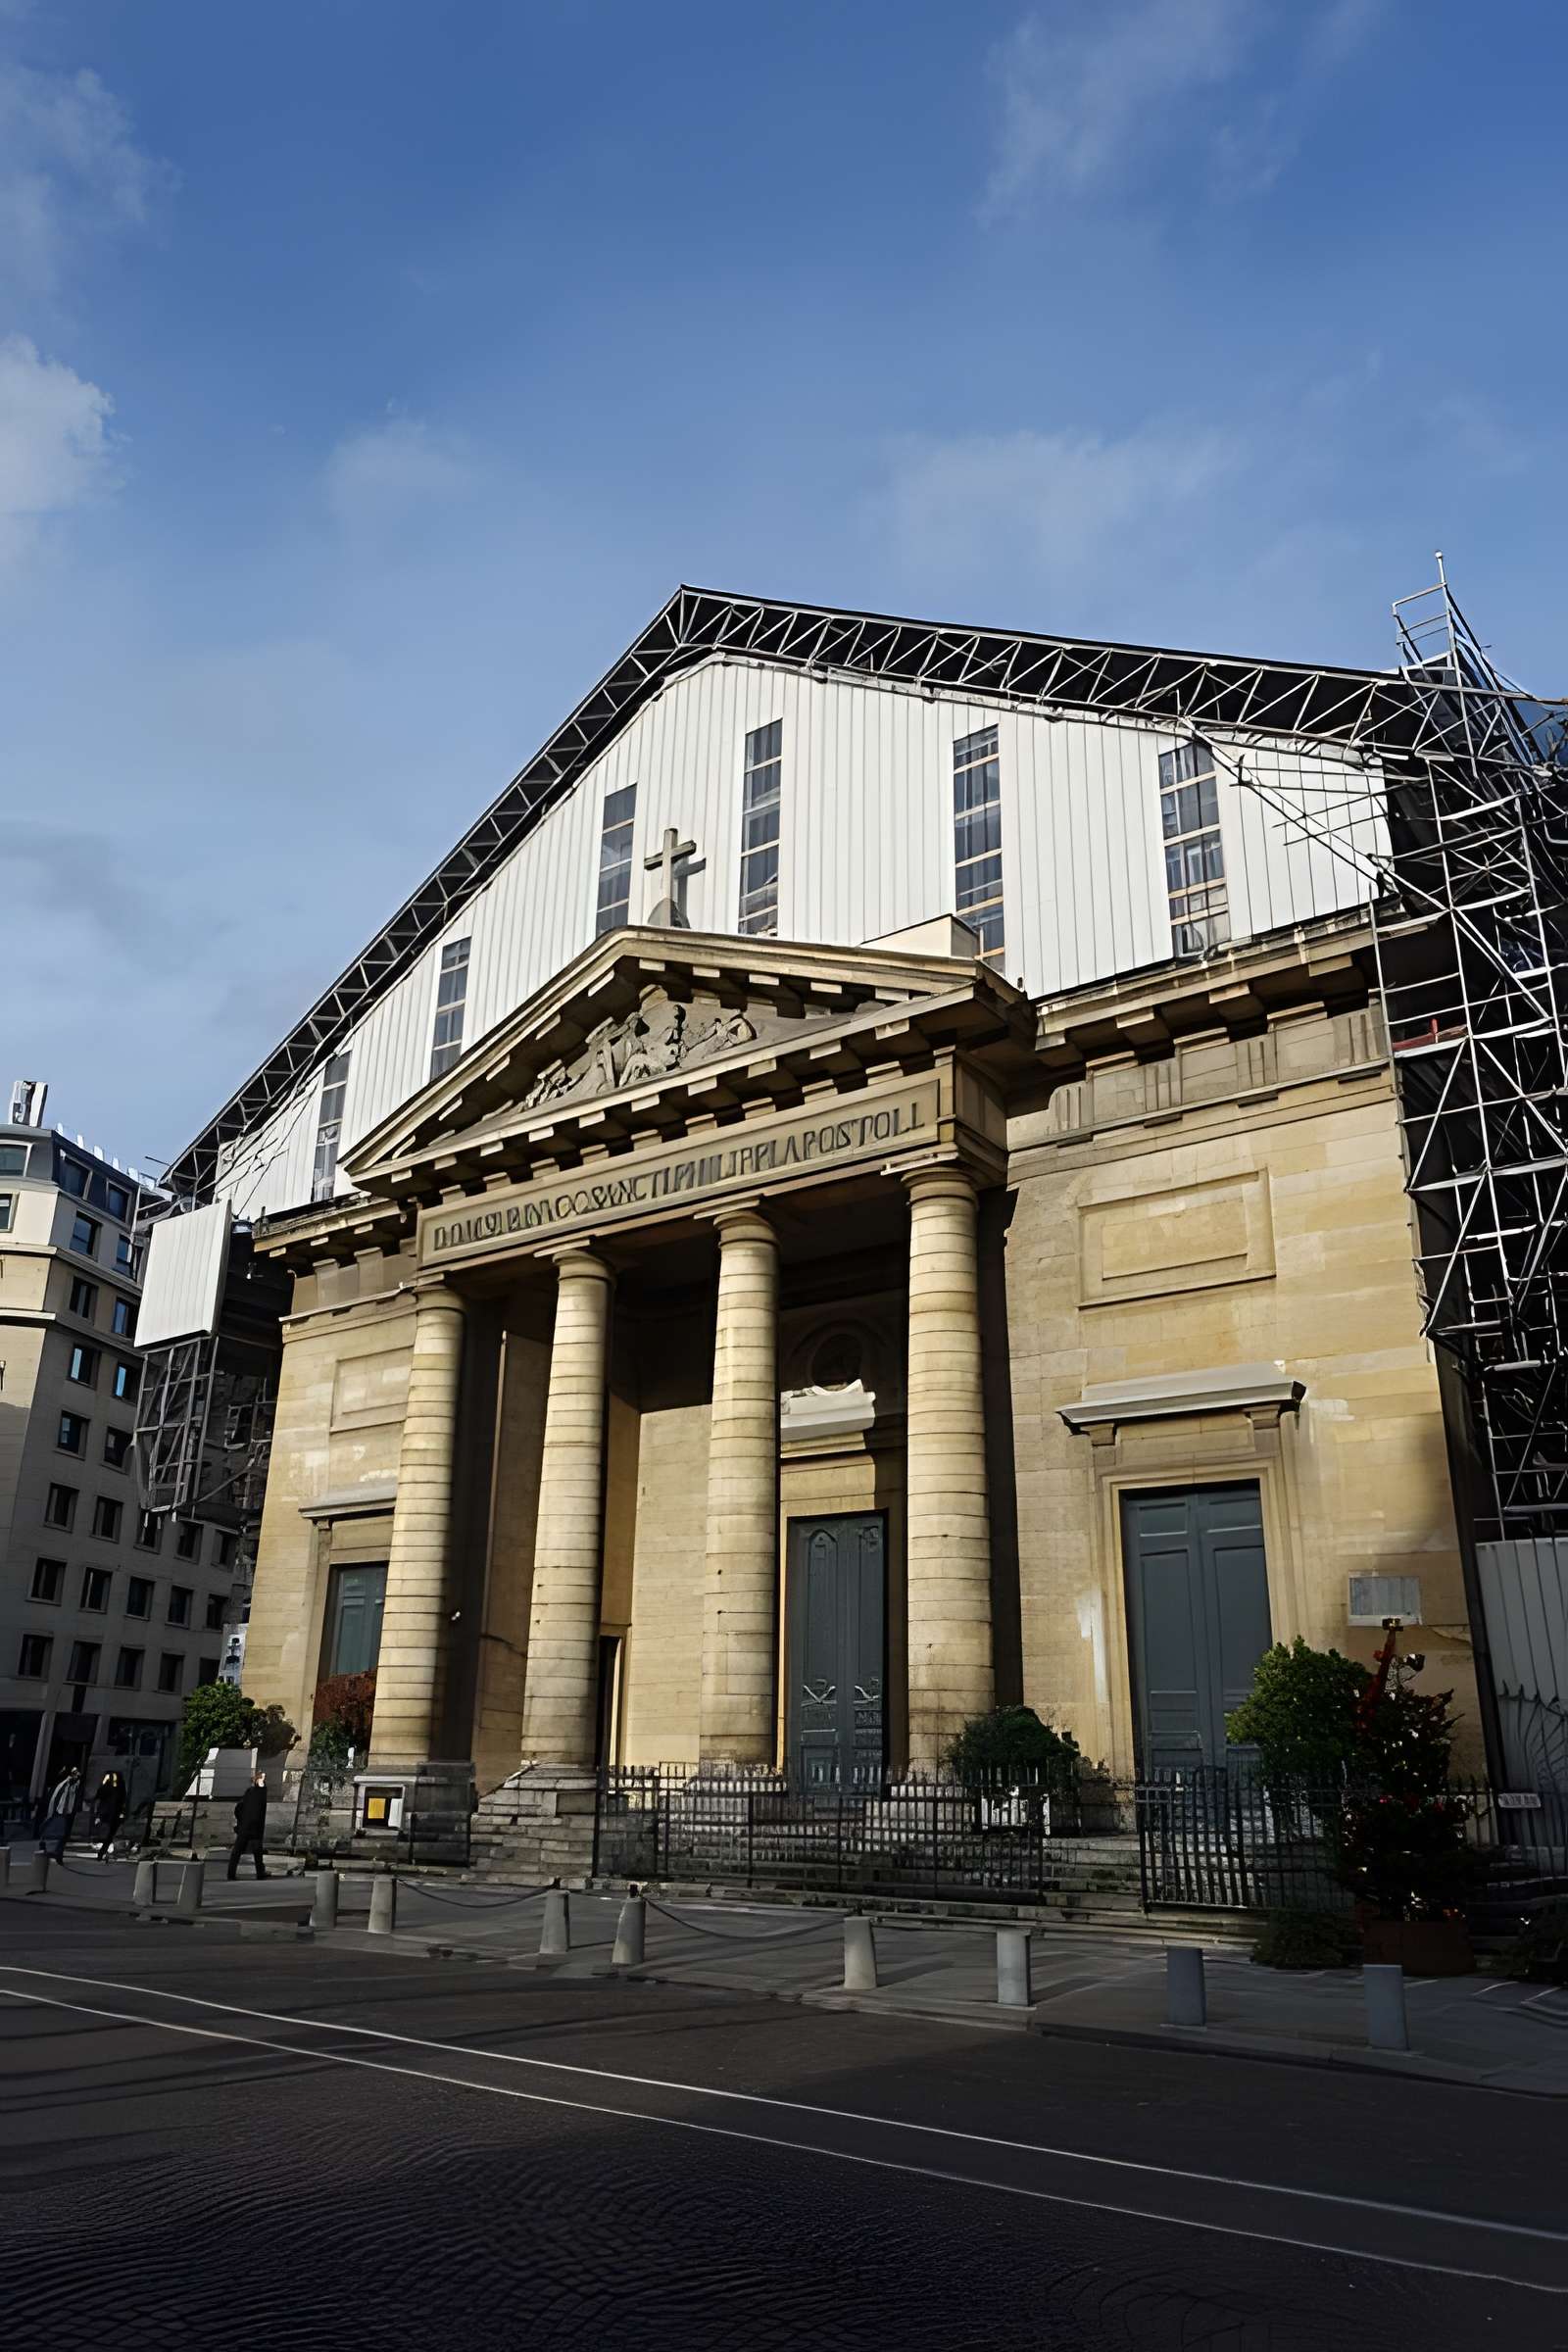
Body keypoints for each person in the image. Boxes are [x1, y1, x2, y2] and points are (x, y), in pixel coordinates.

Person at [227, 1771, 269, 1881]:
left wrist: (242, 1820)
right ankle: (259, 1873)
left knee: (241, 1851)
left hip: (248, 1826)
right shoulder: (257, 1792)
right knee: (251, 1851)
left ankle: (232, 1874)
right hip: (253, 1826)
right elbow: (240, 1808)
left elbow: (239, 1808)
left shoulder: (254, 1792)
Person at [41, 1765, 82, 1860]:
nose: (76, 1775)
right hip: (59, 1809)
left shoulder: (76, 1785)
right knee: (54, 1827)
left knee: (64, 1833)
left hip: (68, 1811)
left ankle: (58, 1852)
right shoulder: (64, 1783)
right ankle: (46, 1846)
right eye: (75, 1773)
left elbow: (76, 1797)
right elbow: (56, 1795)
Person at [92, 1771, 127, 1861]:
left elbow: (122, 1799)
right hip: (107, 1814)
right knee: (108, 1834)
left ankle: (104, 1853)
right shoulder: (107, 1787)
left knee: (111, 1834)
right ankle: (104, 1853)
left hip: (114, 1813)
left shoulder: (119, 1787)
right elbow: (99, 1796)